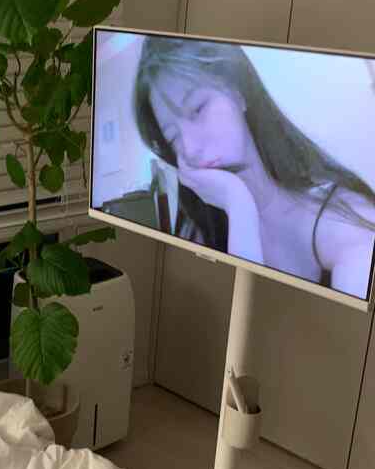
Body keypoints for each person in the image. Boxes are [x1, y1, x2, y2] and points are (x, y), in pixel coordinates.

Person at [133, 36, 375, 299]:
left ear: (238, 92)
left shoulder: (347, 224)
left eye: (198, 109)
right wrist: (239, 208)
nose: (189, 148)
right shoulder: (202, 229)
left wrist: (239, 206)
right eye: (173, 137)